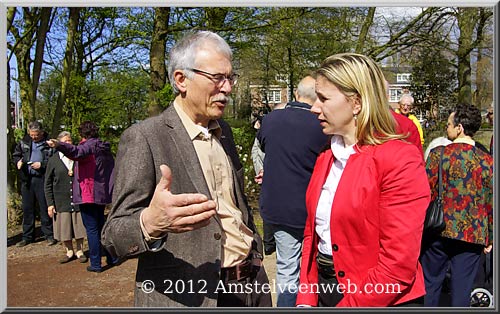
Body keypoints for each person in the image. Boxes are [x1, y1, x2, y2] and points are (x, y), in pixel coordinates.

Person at [101, 31, 272, 307]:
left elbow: (236, 206)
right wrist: (149, 224)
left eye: (230, 78)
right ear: (181, 79)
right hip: (193, 296)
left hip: (252, 286)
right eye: (217, 78)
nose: (228, 88)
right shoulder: (144, 138)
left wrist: (256, 251)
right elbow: (112, 236)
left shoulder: (223, 131)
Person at [296, 53, 430, 307]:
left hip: (382, 299)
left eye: (323, 99)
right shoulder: (326, 155)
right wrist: (306, 298)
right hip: (327, 292)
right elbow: (311, 236)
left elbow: (397, 265)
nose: (314, 107)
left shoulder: (399, 159)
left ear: (356, 102)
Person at [257, 75, 328, 307]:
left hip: (277, 207)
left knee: (287, 269)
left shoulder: (270, 120)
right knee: (312, 270)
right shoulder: (321, 126)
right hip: (309, 208)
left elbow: (265, 148)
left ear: (296, 95)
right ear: (317, 98)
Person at [420, 103, 493, 307]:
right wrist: (491, 236)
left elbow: (425, 192)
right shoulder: (487, 161)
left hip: (438, 230)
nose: (447, 127)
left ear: (459, 127)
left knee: (430, 286)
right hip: (473, 233)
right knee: (462, 291)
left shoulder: (438, 155)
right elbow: (491, 201)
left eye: (449, 123)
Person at [46, 121, 116, 273]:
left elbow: (76, 152)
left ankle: (96, 263)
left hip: (87, 193)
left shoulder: (88, 146)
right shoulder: (103, 147)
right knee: (101, 226)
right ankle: (112, 257)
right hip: (101, 193)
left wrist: (59, 145)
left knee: (91, 229)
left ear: (82, 134)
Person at [44, 131, 88, 264]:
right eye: (65, 141)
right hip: (61, 200)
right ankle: (69, 251)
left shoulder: (78, 157)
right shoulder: (53, 160)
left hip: (78, 199)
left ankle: (80, 251)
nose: (67, 143)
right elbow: (47, 183)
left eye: (69, 141)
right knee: (64, 228)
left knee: (78, 227)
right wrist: (50, 204)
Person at [12, 121, 56, 247]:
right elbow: (16, 155)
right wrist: (18, 162)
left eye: (36, 135)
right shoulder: (24, 142)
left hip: (42, 178)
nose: (33, 137)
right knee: (27, 208)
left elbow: (53, 161)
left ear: (41, 132)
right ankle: (27, 236)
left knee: (44, 207)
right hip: (27, 178)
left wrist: (41, 165)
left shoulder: (49, 143)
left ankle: (49, 234)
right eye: (31, 135)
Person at [384, 80, 424, 157]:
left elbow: (419, 143)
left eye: (408, 106)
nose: (405, 108)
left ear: (411, 107)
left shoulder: (414, 122)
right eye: (403, 105)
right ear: (399, 105)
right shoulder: (391, 117)